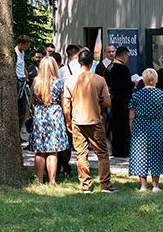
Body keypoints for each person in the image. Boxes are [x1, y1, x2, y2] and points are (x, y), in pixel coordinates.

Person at [65, 49, 115, 193]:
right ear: (92, 63)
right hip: (94, 120)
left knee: (81, 154)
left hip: (77, 121)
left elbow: (66, 105)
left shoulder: (70, 79)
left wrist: (68, 121)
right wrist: (98, 102)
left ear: (78, 62)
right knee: (102, 154)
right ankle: (105, 185)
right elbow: (107, 101)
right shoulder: (99, 79)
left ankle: (85, 185)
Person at [128, 68, 163, 193]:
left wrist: (132, 130)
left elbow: (131, 116)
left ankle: (143, 185)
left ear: (143, 80)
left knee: (141, 153)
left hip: (140, 126)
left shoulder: (136, 95)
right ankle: (156, 185)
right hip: (158, 126)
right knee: (156, 154)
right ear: (156, 80)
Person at [29, 56, 69, 185]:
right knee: (53, 151)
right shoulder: (58, 83)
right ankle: (52, 180)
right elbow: (64, 103)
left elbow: (33, 102)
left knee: (40, 151)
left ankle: (39, 180)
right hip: (55, 116)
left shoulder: (36, 82)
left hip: (40, 115)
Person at [105, 46, 133, 157]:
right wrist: (133, 83)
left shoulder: (109, 67)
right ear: (124, 55)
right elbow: (126, 86)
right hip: (123, 101)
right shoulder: (123, 69)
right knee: (122, 126)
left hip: (112, 100)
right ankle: (123, 150)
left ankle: (111, 149)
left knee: (112, 125)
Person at [15, 35, 31, 132]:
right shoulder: (14, 53)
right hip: (18, 81)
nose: (28, 46)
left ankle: (21, 126)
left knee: (24, 106)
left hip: (22, 80)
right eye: (26, 44)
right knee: (19, 105)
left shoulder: (22, 53)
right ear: (21, 44)